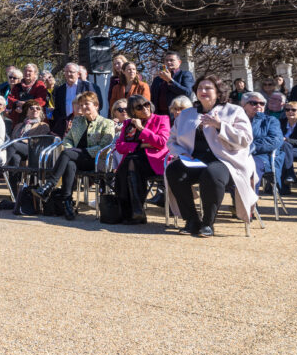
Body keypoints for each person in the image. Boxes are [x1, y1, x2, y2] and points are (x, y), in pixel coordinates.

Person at [165, 75, 258, 238]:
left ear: (218, 92)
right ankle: (192, 220)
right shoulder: (186, 114)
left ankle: (208, 223)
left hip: (226, 162)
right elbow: (171, 140)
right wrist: (182, 154)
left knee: (212, 174)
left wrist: (220, 125)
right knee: (174, 170)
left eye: (208, 88)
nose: (203, 91)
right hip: (194, 161)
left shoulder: (234, 111)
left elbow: (245, 139)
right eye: (200, 88)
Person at [33, 91, 115, 220]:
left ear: (96, 105)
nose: (83, 107)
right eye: (81, 105)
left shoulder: (106, 123)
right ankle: (67, 202)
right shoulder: (78, 121)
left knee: (67, 154)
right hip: (76, 158)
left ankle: (49, 185)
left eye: (87, 104)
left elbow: (104, 147)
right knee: (69, 162)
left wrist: (76, 152)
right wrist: (72, 151)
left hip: (96, 159)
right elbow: (68, 140)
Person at [113, 95, 170, 224]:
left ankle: (135, 211)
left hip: (155, 161)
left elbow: (161, 142)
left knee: (130, 163)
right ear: (133, 111)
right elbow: (119, 146)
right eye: (139, 107)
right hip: (134, 160)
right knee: (129, 164)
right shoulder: (128, 123)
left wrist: (141, 129)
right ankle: (134, 211)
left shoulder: (162, 119)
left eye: (146, 104)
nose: (145, 108)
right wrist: (140, 145)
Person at [240, 92, 285, 195]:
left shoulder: (270, 120)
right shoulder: (236, 120)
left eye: (262, 103)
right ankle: (237, 202)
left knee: (249, 167)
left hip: (263, 156)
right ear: (243, 106)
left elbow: (275, 140)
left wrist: (250, 147)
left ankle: (249, 207)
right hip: (238, 155)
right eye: (253, 103)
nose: (258, 106)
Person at [51, 62, 100, 136]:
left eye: (71, 72)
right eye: (66, 72)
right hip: (67, 126)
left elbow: (95, 104)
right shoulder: (60, 90)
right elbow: (57, 109)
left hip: (86, 123)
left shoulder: (87, 86)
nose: (68, 74)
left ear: (78, 74)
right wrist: (63, 122)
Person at [149, 51, 194, 117]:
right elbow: (152, 98)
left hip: (178, 115)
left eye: (171, 60)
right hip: (159, 115)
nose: (168, 62)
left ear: (179, 62)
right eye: (166, 60)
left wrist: (170, 81)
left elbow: (187, 92)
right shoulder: (157, 79)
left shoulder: (185, 75)